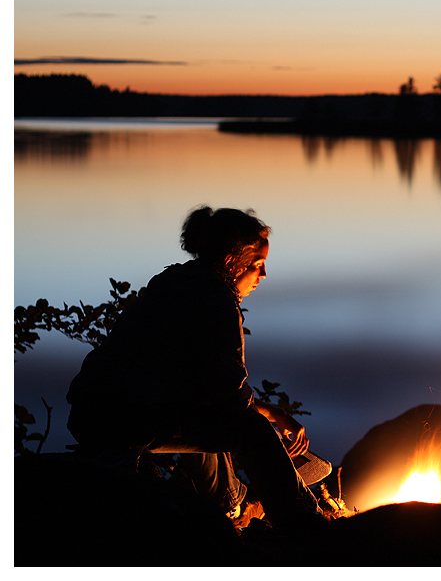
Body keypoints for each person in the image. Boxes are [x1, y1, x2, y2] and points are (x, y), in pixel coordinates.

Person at [66, 206, 321, 532]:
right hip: (124, 419)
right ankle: (311, 533)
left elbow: (202, 389)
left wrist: (273, 412)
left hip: (91, 414)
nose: (264, 275)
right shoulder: (216, 300)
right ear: (231, 262)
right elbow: (232, 402)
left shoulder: (174, 283)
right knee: (252, 432)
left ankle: (231, 506)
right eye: (258, 265)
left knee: (200, 411)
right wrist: (266, 422)